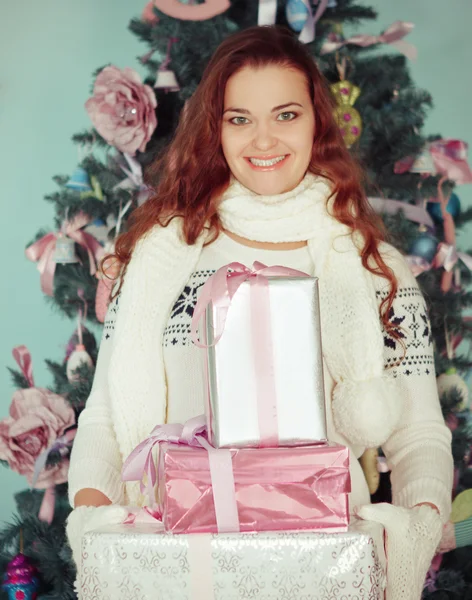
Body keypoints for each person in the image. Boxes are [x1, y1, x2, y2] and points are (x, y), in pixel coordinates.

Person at [66, 25, 453, 599]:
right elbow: (104, 417)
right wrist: (96, 521)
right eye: (239, 118)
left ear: (317, 122)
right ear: (214, 130)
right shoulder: (160, 255)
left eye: (286, 114)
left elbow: (419, 432)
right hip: (176, 566)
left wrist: (418, 518)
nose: (263, 139)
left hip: (322, 568)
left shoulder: (375, 266)